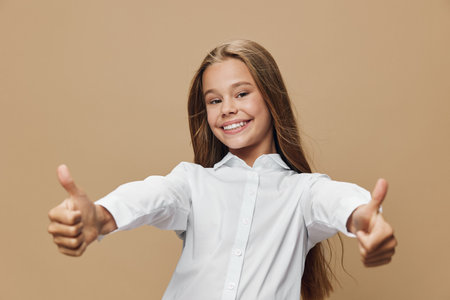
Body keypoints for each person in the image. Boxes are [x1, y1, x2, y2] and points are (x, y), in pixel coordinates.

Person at [48, 40, 397, 300]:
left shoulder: (302, 193)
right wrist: (99, 216)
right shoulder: (192, 183)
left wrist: (364, 217)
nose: (227, 109)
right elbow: (151, 195)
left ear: (271, 98)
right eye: (214, 100)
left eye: (241, 94)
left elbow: (337, 200)